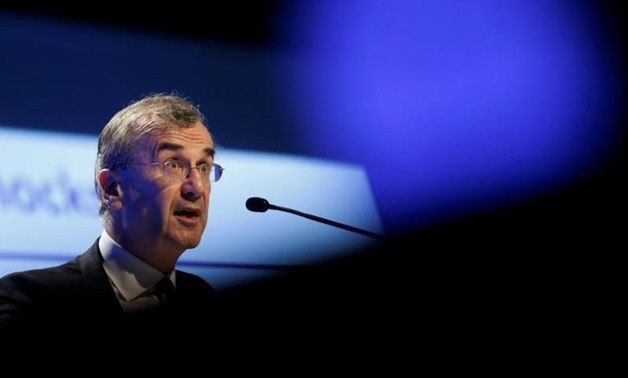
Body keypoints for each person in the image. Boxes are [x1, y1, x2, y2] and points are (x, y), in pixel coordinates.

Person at [0, 92, 224, 340]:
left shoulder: (203, 299)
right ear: (112, 189)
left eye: (204, 167)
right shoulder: (32, 301)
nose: (197, 187)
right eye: (172, 164)